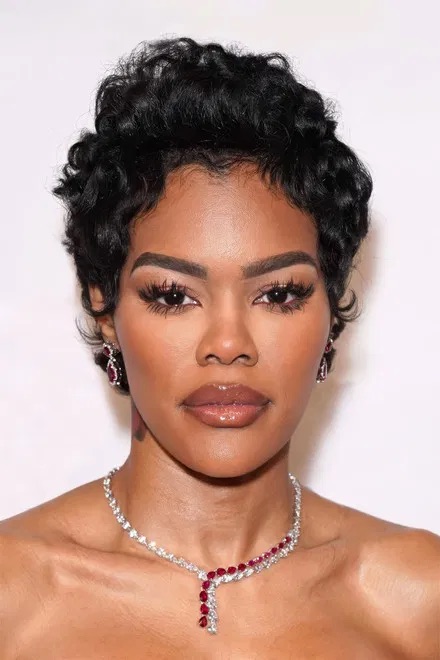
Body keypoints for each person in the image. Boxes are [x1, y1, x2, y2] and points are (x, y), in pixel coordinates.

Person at [1, 36, 438, 658]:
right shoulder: (13, 596)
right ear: (105, 308)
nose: (228, 344)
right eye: (173, 296)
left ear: (331, 310)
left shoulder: (418, 599)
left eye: (279, 294)